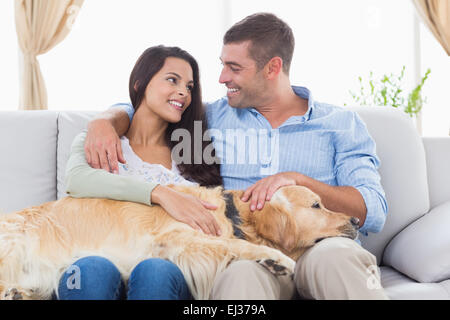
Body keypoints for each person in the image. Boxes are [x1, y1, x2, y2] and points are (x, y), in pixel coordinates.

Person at [82, 13, 389, 300]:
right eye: (223, 64)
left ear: (272, 68)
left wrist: (296, 180)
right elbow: (149, 105)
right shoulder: (209, 118)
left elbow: (372, 211)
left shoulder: (339, 124)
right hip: (248, 252)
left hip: (321, 246)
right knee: (240, 274)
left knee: (337, 258)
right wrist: (104, 122)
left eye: (234, 68)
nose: (221, 77)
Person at [60, 45, 223, 300]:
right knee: (90, 269)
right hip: (101, 256)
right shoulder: (100, 140)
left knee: (154, 271)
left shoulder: (195, 156)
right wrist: (160, 194)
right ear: (139, 84)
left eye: (189, 87)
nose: (183, 91)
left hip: (168, 268)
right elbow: (77, 180)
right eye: (172, 80)